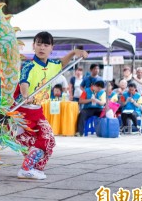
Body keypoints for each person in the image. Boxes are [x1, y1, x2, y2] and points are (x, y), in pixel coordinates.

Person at [14, 31, 88, 180]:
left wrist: (74, 52)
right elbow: (24, 83)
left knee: (49, 140)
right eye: (39, 44)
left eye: (46, 45)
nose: (42, 47)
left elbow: (62, 62)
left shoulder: (53, 65)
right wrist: (26, 94)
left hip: (37, 111)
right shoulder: (29, 65)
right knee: (32, 143)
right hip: (22, 112)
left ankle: (33, 168)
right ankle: (26, 168)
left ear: (51, 48)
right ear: (33, 46)